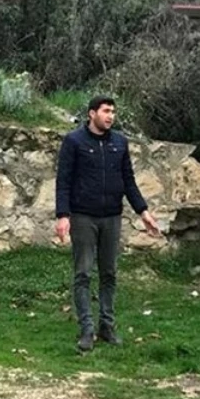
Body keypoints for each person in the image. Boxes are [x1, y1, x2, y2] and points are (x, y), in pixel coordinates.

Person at [55, 96, 160, 353]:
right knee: (83, 273)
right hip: (83, 217)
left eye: (113, 111)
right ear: (92, 114)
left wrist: (143, 212)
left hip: (112, 217)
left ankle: (107, 325)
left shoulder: (119, 143)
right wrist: (63, 216)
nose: (110, 116)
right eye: (105, 111)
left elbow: (128, 180)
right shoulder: (74, 142)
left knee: (109, 273)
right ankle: (87, 329)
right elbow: (63, 181)